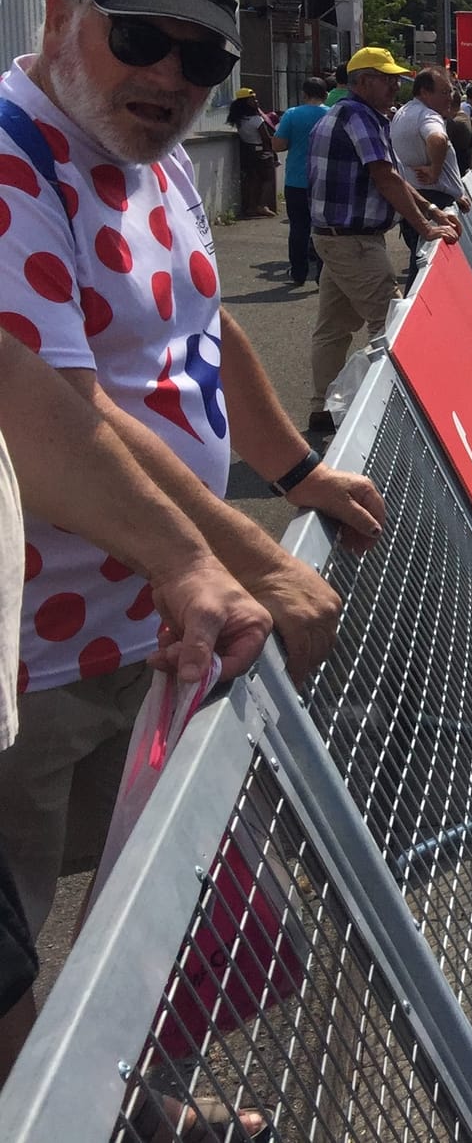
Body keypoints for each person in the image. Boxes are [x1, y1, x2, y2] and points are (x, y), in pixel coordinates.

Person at [0, 0, 385, 990]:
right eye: (142, 38)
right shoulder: (11, 159)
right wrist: (239, 562)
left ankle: (141, 1107)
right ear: (61, 17)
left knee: (136, 900)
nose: (171, 74)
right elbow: (58, 415)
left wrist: (294, 471)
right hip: (30, 650)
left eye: (203, 56)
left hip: (154, 624)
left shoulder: (152, 157)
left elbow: (201, 331)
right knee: (13, 950)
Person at [0, 330, 277, 1085]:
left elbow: (201, 327)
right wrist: (228, 560)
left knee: (103, 902)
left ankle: (112, 1104)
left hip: (137, 640)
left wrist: (191, 557)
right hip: (43, 659)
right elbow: (51, 391)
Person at [306, 46, 460, 436]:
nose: (395, 85)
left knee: (333, 328)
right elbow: (386, 177)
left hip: (336, 238)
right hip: (354, 242)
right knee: (390, 323)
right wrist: (426, 226)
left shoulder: (344, 113)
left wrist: (428, 208)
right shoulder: (360, 117)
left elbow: (391, 174)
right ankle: (391, 422)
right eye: (386, 78)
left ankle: (323, 407)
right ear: (363, 82)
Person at [389, 65, 466, 288]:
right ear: (424, 92)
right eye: (444, 92)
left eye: (450, 91)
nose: (449, 98)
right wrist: (435, 170)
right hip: (434, 200)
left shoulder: (404, 112)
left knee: (420, 259)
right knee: (425, 266)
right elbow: (437, 139)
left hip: (416, 197)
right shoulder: (428, 115)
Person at [274, 76, 329, 285]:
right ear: (325, 94)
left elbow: (278, 145)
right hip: (324, 180)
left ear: (304, 94)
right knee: (324, 228)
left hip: (297, 179)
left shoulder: (292, 114)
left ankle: (298, 272)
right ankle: (323, 275)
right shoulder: (331, 114)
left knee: (298, 227)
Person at [227, 86, 278, 218]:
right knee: (266, 179)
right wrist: (271, 152)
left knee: (252, 179)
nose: (256, 102)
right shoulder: (256, 119)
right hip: (261, 151)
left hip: (248, 151)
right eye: (252, 99)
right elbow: (266, 138)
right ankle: (261, 205)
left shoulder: (239, 119)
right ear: (245, 102)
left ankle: (250, 207)